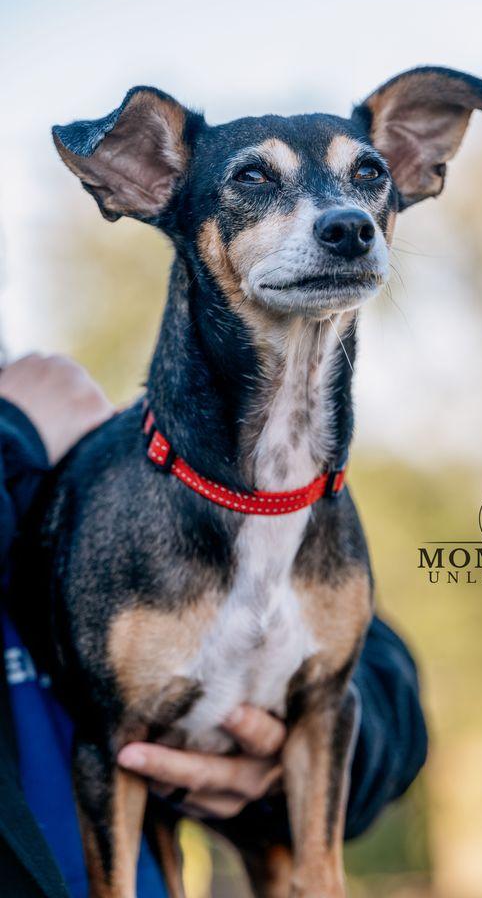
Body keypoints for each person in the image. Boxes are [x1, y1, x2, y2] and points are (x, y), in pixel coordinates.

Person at [0, 354, 428, 898]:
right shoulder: (36, 424)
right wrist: (12, 432)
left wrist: (286, 752)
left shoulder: (134, 441)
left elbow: (388, 702)